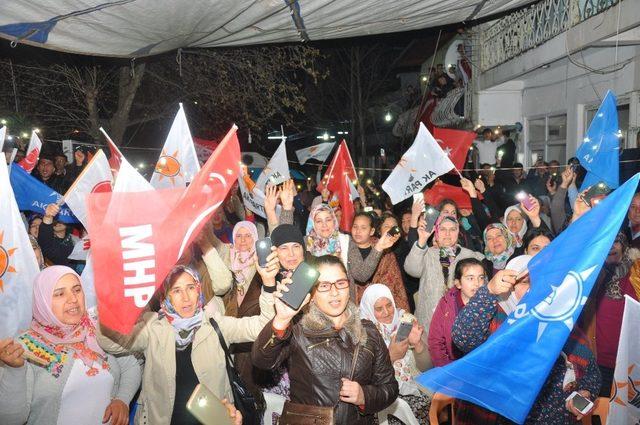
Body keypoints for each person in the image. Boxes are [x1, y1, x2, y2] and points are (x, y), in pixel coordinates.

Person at [97, 264, 275, 424]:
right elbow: (111, 343)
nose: (186, 297)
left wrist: (267, 284)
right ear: (165, 296)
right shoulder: (153, 327)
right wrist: (110, 303)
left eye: (190, 288)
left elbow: (262, 327)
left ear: (199, 289)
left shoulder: (215, 324)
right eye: (176, 290)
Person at [252, 255, 399, 424]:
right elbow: (261, 360)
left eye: (340, 283)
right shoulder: (298, 329)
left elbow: (390, 387)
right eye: (324, 286)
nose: (334, 292)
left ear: (348, 286)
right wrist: (281, 319)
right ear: (312, 293)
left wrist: (364, 396)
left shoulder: (369, 331)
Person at [452, 266, 601, 423]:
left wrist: (585, 392)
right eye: (525, 282)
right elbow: (463, 337)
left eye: (541, 282)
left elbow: (592, 373)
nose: (534, 288)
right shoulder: (495, 320)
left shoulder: (563, 324)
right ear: (509, 288)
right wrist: (488, 291)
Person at [0, 266, 142, 425]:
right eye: (60, 294)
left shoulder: (99, 331)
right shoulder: (23, 347)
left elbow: (131, 366)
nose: (73, 299)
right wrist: (14, 371)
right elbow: (9, 419)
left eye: (77, 290)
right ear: (43, 301)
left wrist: (122, 400)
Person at [360, 284, 432, 424]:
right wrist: (391, 356)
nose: (387, 313)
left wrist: (418, 345)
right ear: (369, 309)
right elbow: (365, 380)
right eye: (379, 309)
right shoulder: (363, 334)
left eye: (389, 305)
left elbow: (427, 368)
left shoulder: (405, 321)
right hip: (382, 395)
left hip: (415, 388)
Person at [580, 232, 640, 397]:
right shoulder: (591, 275)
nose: (612, 246)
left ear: (624, 246)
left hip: (631, 363)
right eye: (607, 241)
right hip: (599, 363)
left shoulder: (637, 274)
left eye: (616, 242)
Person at [404, 215, 484, 330]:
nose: (447, 234)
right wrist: (421, 241)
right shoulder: (427, 254)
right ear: (436, 232)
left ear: (458, 233)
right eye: (442, 229)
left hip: (460, 325)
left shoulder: (468, 256)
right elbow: (412, 270)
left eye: (452, 229)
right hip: (428, 325)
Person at [305, 204, 398, 299]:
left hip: (344, 301)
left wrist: (378, 247)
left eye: (328, 220)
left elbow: (361, 275)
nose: (324, 225)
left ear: (334, 221)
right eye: (319, 221)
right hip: (315, 303)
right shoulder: (305, 245)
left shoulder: (346, 241)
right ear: (312, 223)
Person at [428, 258, 486, 367]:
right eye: (470, 278)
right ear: (458, 283)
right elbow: (435, 341)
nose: (477, 283)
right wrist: (447, 372)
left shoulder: (489, 304)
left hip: (481, 365)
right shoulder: (446, 304)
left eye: (481, 278)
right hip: (453, 365)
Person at [351, 212, 409, 310]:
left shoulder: (387, 253)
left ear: (372, 231)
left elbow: (396, 286)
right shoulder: (346, 249)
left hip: (382, 307)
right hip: (354, 307)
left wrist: (403, 315)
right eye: (355, 227)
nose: (358, 231)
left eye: (363, 228)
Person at [37, 204, 78, 268]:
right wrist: (48, 217)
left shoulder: (78, 242)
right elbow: (47, 246)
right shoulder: (80, 249)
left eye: (61, 221)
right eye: (55, 221)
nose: (58, 223)